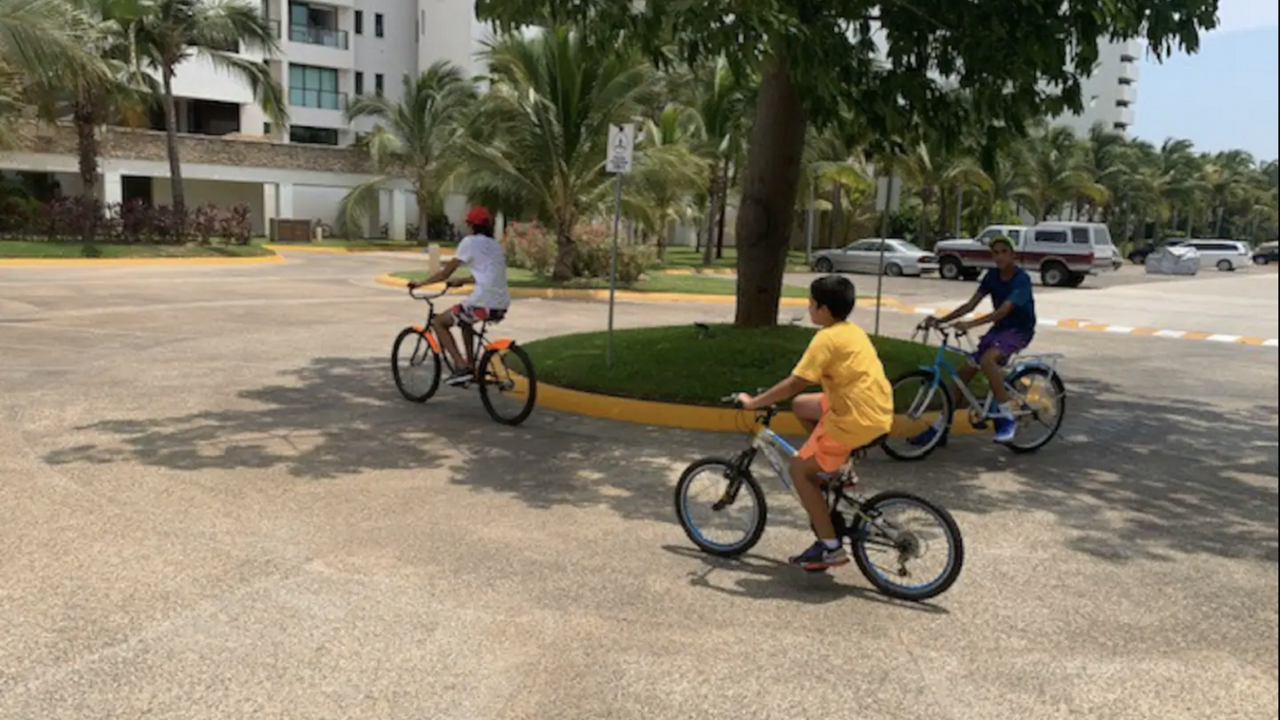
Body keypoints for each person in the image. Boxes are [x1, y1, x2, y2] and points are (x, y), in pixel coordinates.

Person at [735, 275, 894, 571]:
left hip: (852, 420)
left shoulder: (825, 339)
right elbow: (797, 395)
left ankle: (830, 548)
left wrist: (755, 402)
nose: (808, 307)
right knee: (801, 406)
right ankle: (835, 467)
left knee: (799, 469)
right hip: (876, 411)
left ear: (822, 308)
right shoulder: (851, 331)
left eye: (810, 302)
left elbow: (796, 381)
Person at [916, 235, 1037, 444]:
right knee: (963, 374)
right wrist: (940, 320)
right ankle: (941, 428)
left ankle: (1007, 418)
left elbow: (1003, 311)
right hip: (999, 330)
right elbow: (970, 305)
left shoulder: (1021, 280)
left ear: (1012, 255)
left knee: (988, 360)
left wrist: (970, 325)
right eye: (995, 253)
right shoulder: (991, 276)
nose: (998, 257)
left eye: (1003, 252)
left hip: (1018, 331)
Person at [407, 206, 511, 386]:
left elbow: (444, 273)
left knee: (438, 322)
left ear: (471, 225)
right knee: (465, 321)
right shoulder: (495, 245)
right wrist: (463, 280)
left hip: (482, 303)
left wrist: (420, 284)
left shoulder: (469, 242)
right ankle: (471, 366)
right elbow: (489, 274)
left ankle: (461, 366)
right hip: (501, 303)